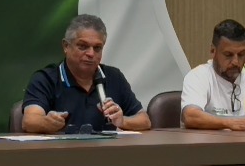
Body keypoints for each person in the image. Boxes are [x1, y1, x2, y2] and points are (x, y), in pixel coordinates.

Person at [22, 14, 151, 134]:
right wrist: (47, 122)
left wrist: (122, 121)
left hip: (105, 150)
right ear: (66, 46)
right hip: (62, 150)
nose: (91, 54)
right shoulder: (45, 79)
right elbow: (29, 121)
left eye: (97, 48)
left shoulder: (114, 77)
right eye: (83, 46)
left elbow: (144, 121)